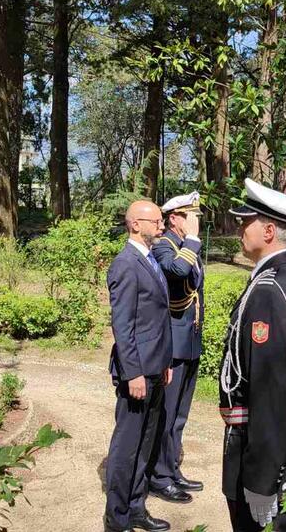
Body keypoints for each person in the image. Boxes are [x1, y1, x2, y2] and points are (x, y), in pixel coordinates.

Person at [222, 179, 286, 532]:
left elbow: (271, 389)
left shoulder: (270, 289)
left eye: (244, 221)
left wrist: (262, 480)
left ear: (268, 230)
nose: (239, 228)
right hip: (284, 437)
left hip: (266, 445)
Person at [104, 200, 174, 532]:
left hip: (155, 369)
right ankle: (116, 520)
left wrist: (163, 363)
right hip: (137, 375)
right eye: (156, 221)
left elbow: (157, 319)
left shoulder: (148, 259)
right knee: (127, 448)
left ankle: (135, 508)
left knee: (145, 445)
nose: (162, 226)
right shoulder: (125, 264)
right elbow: (124, 326)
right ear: (135, 224)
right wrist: (133, 373)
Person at [149, 191, 205, 504]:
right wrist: (193, 241)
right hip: (172, 345)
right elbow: (177, 273)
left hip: (189, 341)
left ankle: (172, 469)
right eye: (190, 215)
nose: (196, 220)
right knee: (167, 415)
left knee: (180, 416)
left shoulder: (184, 245)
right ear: (175, 218)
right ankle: (159, 477)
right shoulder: (163, 245)